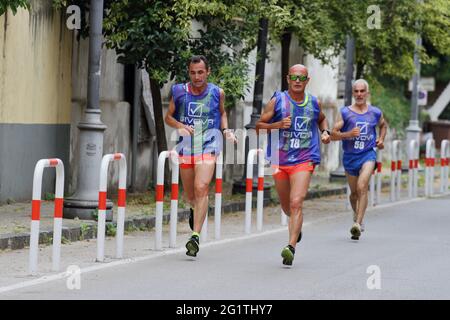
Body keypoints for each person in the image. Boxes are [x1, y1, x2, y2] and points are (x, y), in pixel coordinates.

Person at [256, 64, 331, 266]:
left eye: (302, 78)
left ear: (307, 81)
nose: (297, 81)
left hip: (304, 159)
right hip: (279, 159)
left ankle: (290, 247)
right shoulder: (277, 101)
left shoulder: (314, 102)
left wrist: (325, 132)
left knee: (297, 201)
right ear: (288, 79)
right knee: (287, 206)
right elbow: (259, 126)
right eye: (294, 77)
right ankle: (296, 227)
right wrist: (277, 125)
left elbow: (322, 120)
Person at [165, 55, 236, 257]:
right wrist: (180, 125)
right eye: (193, 73)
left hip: (209, 144)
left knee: (201, 187)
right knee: (190, 195)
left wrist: (227, 130)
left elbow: (222, 113)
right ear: (189, 73)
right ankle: (195, 209)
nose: (197, 77)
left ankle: (195, 236)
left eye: (201, 72)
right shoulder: (179, 92)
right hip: (186, 147)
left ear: (208, 72)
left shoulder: (217, 93)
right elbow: (168, 117)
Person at [331, 79, 387, 240]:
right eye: (356, 91)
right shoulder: (345, 113)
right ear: (353, 93)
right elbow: (333, 134)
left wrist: (381, 139)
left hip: (368, 154)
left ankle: (358, 224)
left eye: (362, 91)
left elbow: (383, 125)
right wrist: (348, 134)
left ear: (367, 93)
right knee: (354, 193)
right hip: (350, 157)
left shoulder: (375, 112)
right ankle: (356, 215)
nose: (359, 94)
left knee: (363, 186)